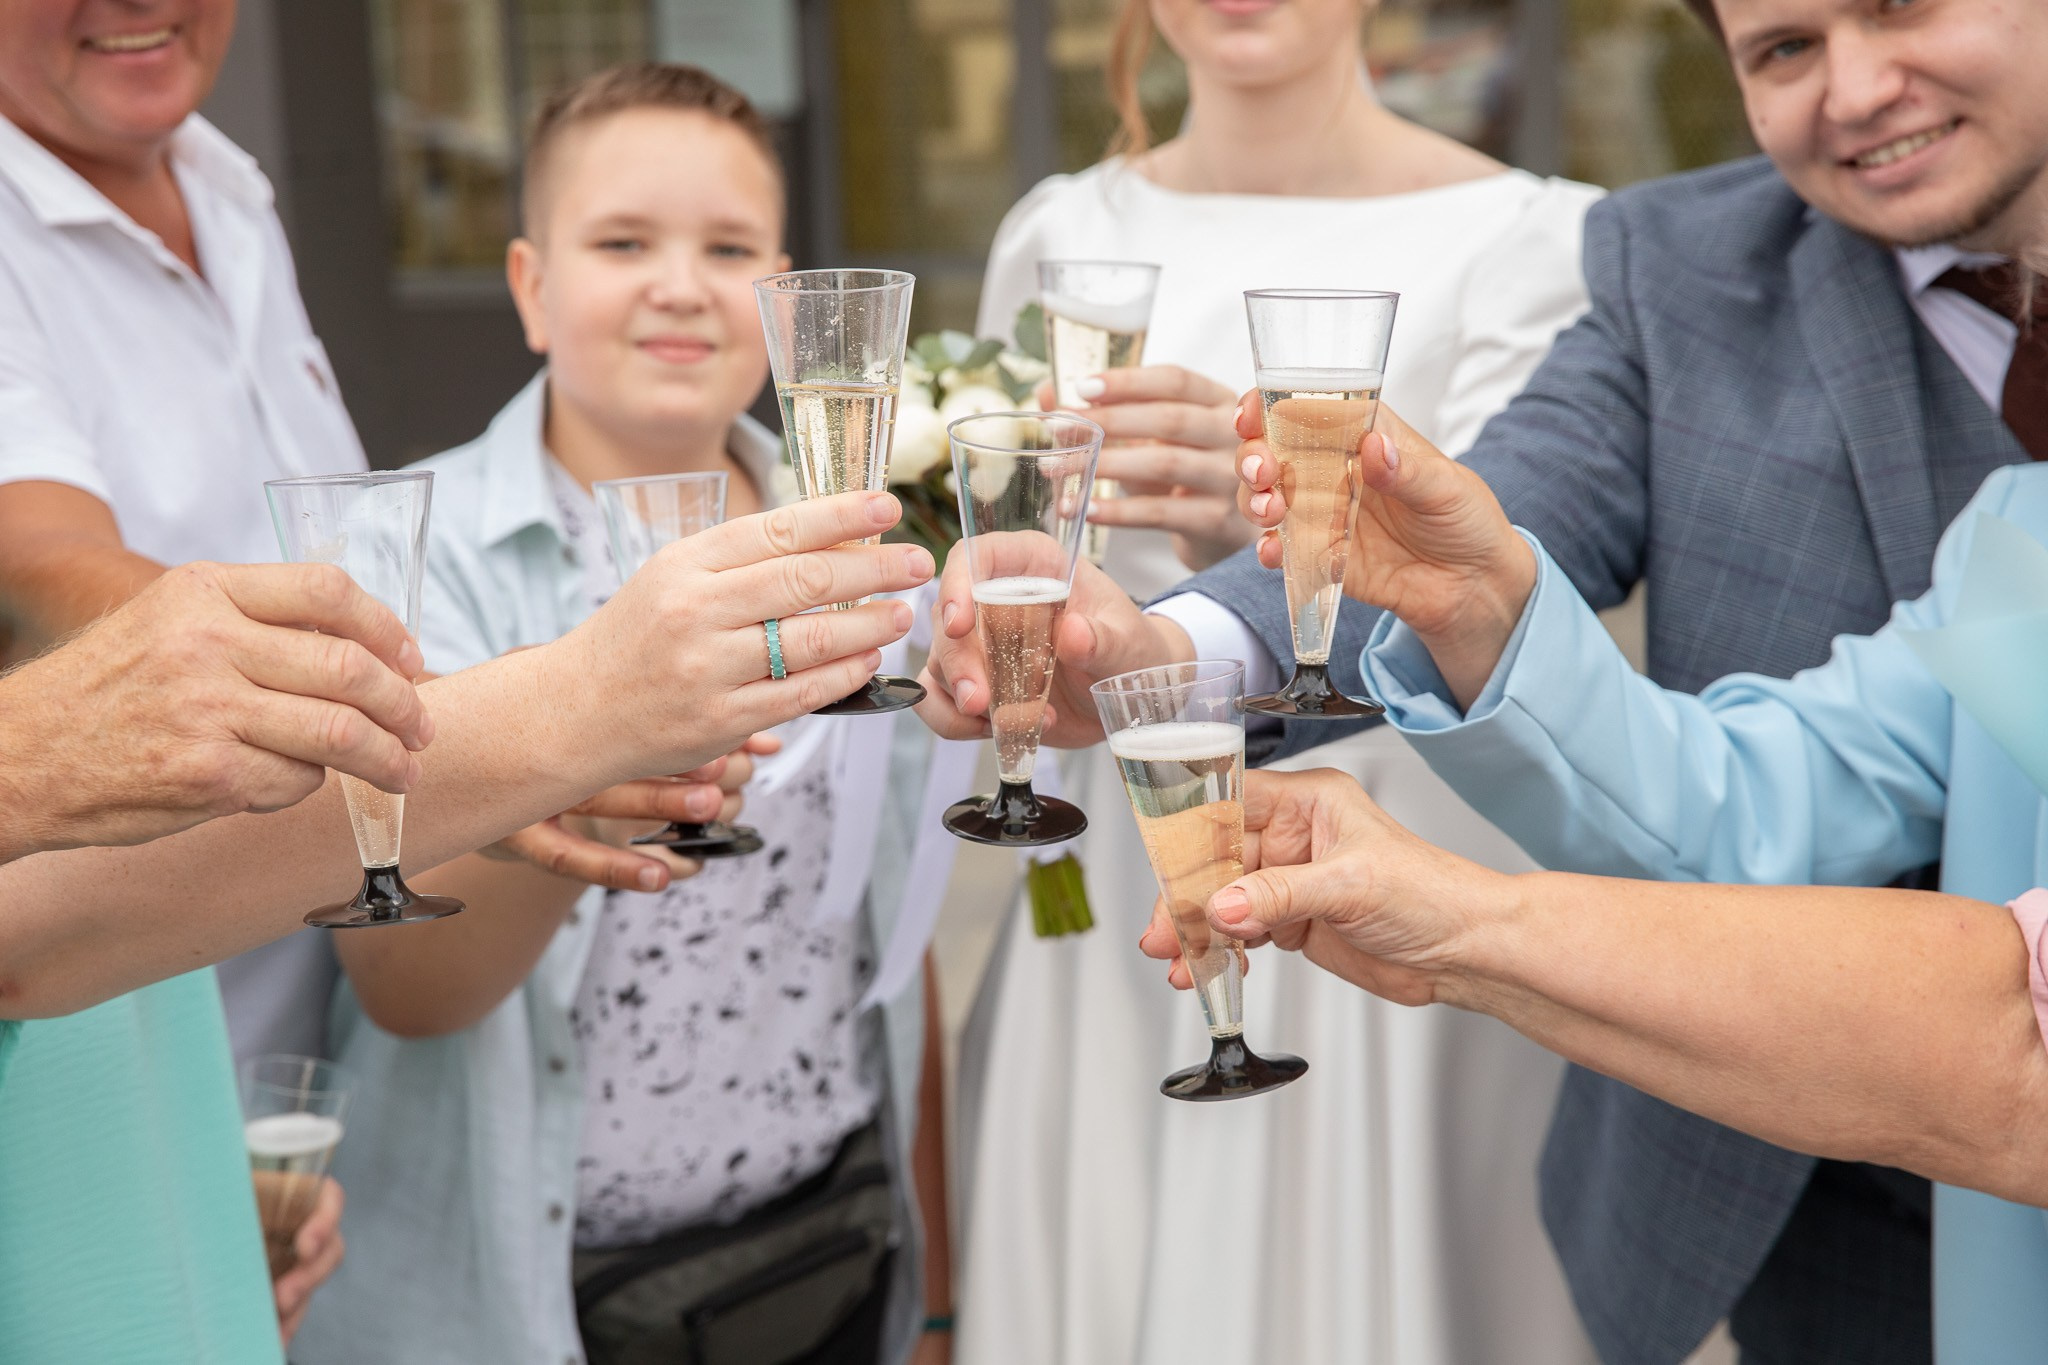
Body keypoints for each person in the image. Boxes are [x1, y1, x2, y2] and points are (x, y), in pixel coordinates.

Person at [925, 0, 2048, 1357]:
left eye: (1899, 3)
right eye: (1782, 49)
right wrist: (1170, 657)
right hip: (1779, 1172)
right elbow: (1731, 782)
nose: (1859, 87)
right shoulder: (1682, 270)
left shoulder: (1520, 228)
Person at [1140, 285, 2048, 1360]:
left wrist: (1464, 932)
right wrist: (1476, 601)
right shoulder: (2017, 526)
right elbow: (1739, 811)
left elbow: (2015, 1044)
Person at [944, 2, 1600, 1359]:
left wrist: (1224, 557)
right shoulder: (1058, 230)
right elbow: (1003, 533)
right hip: (1111, 865)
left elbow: (1527, 595)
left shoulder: (1530, 236)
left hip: (1385, 881)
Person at [291, 64, 954, 1365]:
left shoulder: (858, 547)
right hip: (540, 1308)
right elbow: (406, 985)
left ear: (782, 294)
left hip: (829, 1258)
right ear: (533, 289)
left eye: (727, 247)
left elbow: (898, 946)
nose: (678, 282)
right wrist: (579, 767)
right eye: (622, 242)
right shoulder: (402, 559)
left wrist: (933, 1293)